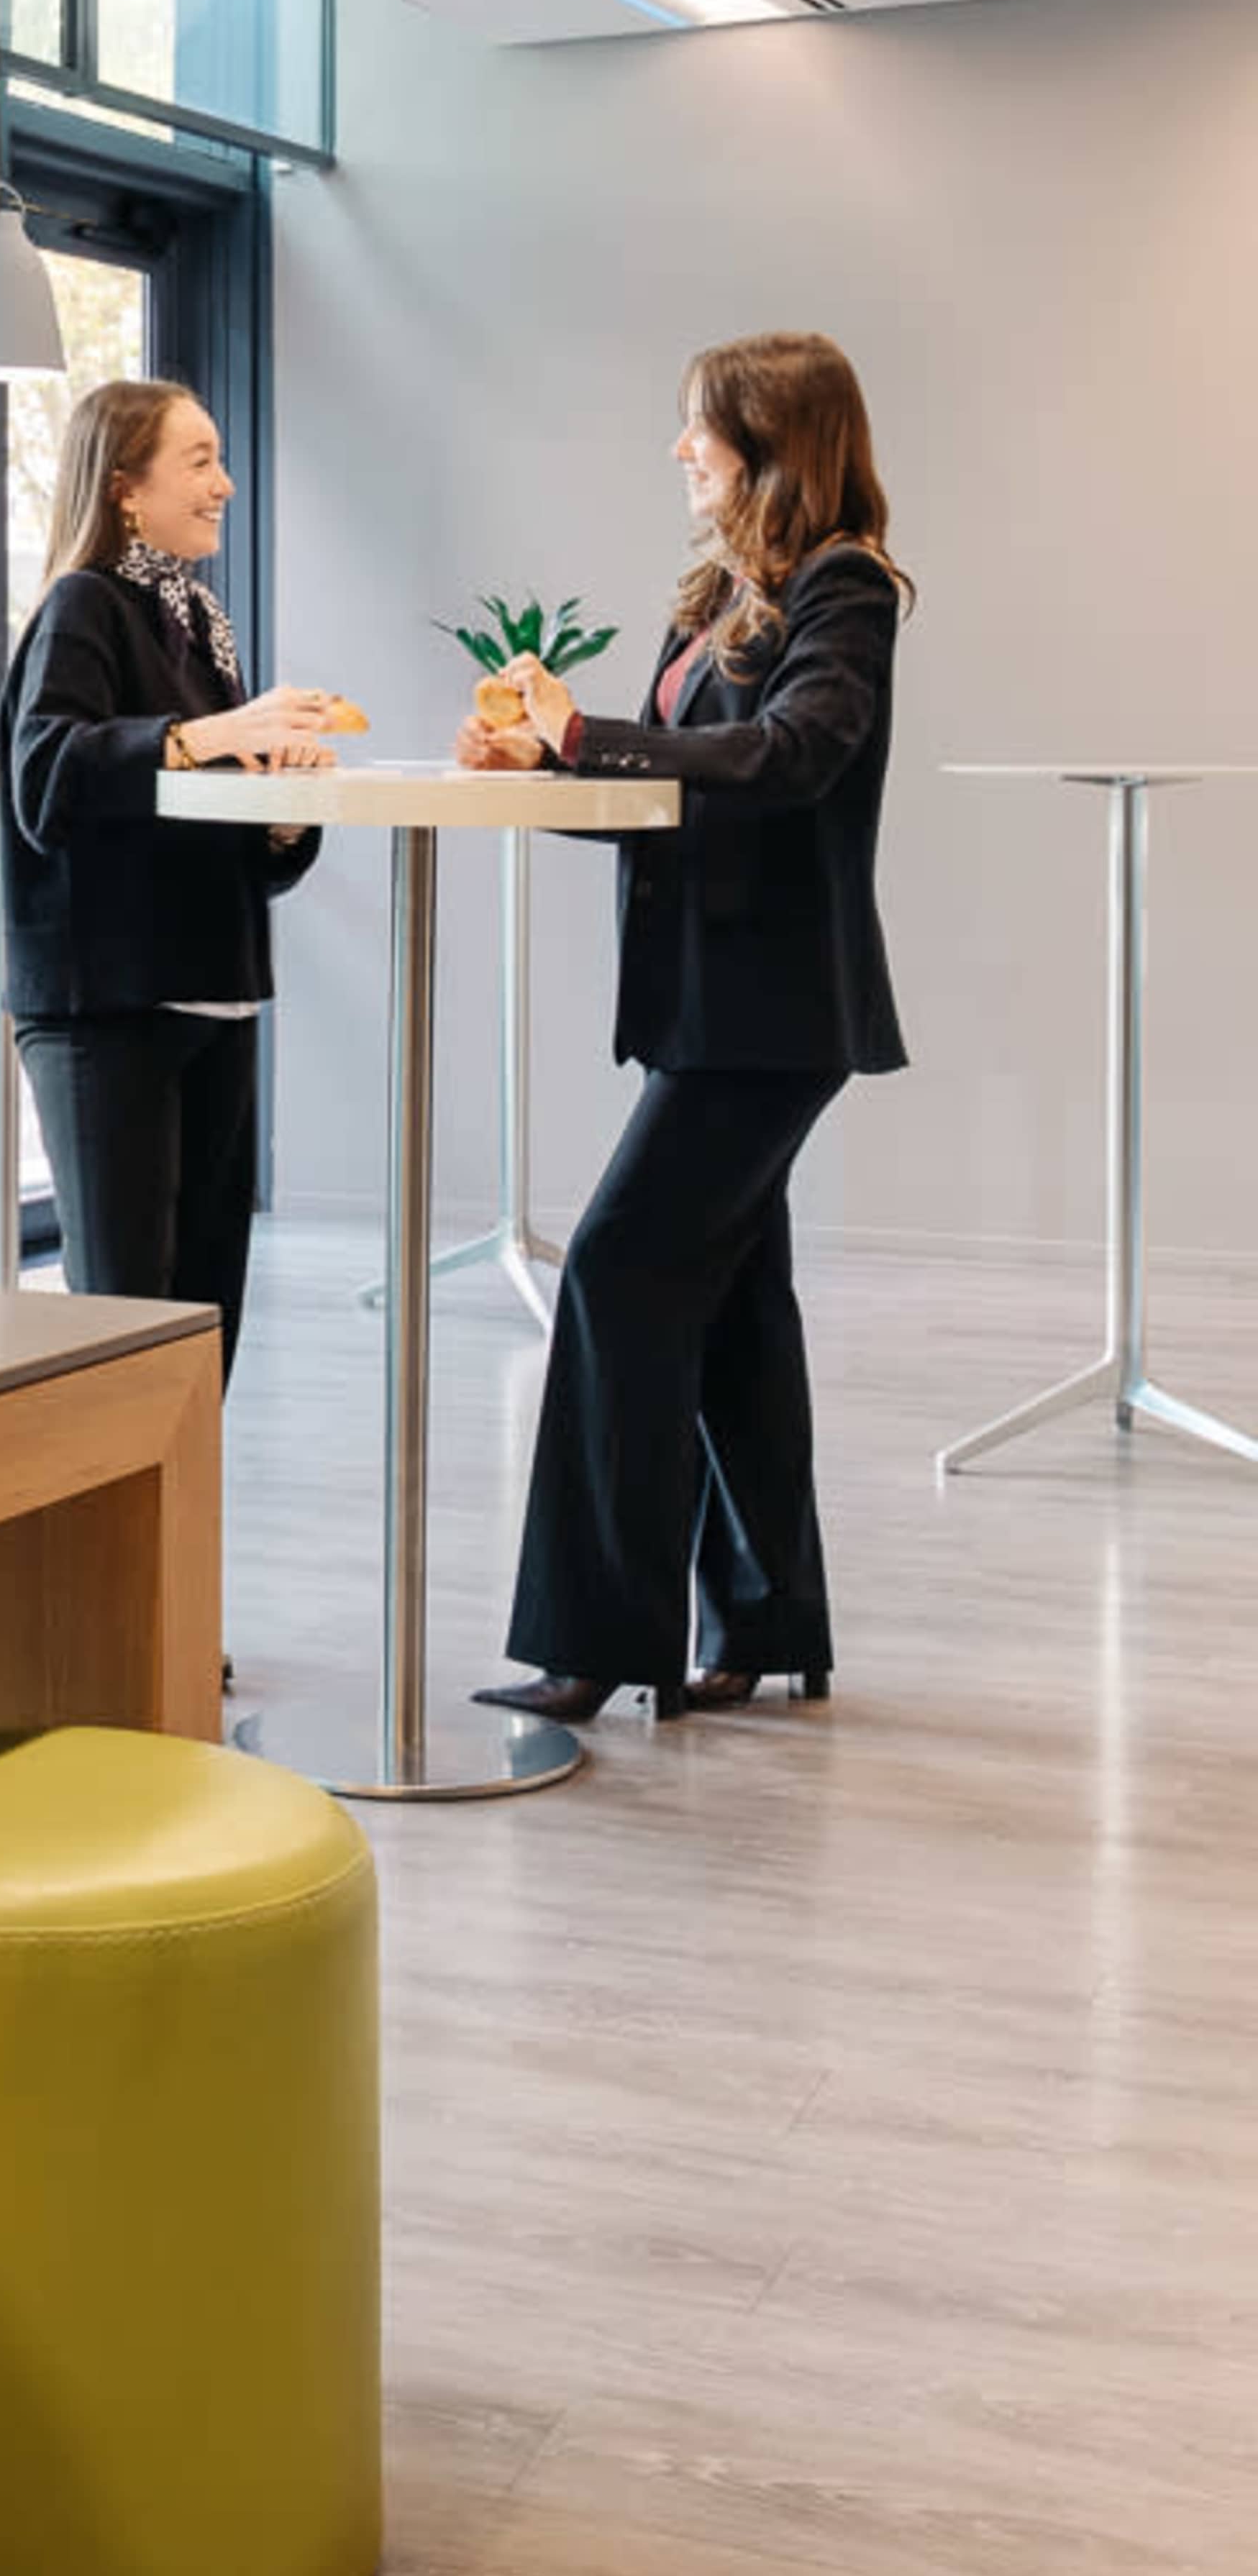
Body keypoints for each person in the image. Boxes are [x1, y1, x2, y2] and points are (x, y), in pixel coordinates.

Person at [460, 332, 911, 1723]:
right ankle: (774, 1624)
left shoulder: (849, 589)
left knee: (615, 1271)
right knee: (731, 1313)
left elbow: (789, 758)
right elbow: (671, 788)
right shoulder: (719, 594)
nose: (679, 452)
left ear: (770, 439)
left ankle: (597, 1640)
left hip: (773, 1014)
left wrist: (590, 739)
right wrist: (546, 756)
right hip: (701, 1004)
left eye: (697, 429)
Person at [0, 378, 337, 1384]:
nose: (225, 484)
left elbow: (214, 833)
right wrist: (207, 738)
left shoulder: (197, 621)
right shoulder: (84, 605)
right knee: (123, 1329)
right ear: (125, 491)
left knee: (204, 1326)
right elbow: (48, 776)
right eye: (199, 461)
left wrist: (282, 819)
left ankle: (179, 1542)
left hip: (215, 993)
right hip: (109, 1007)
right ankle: (108, 1543)